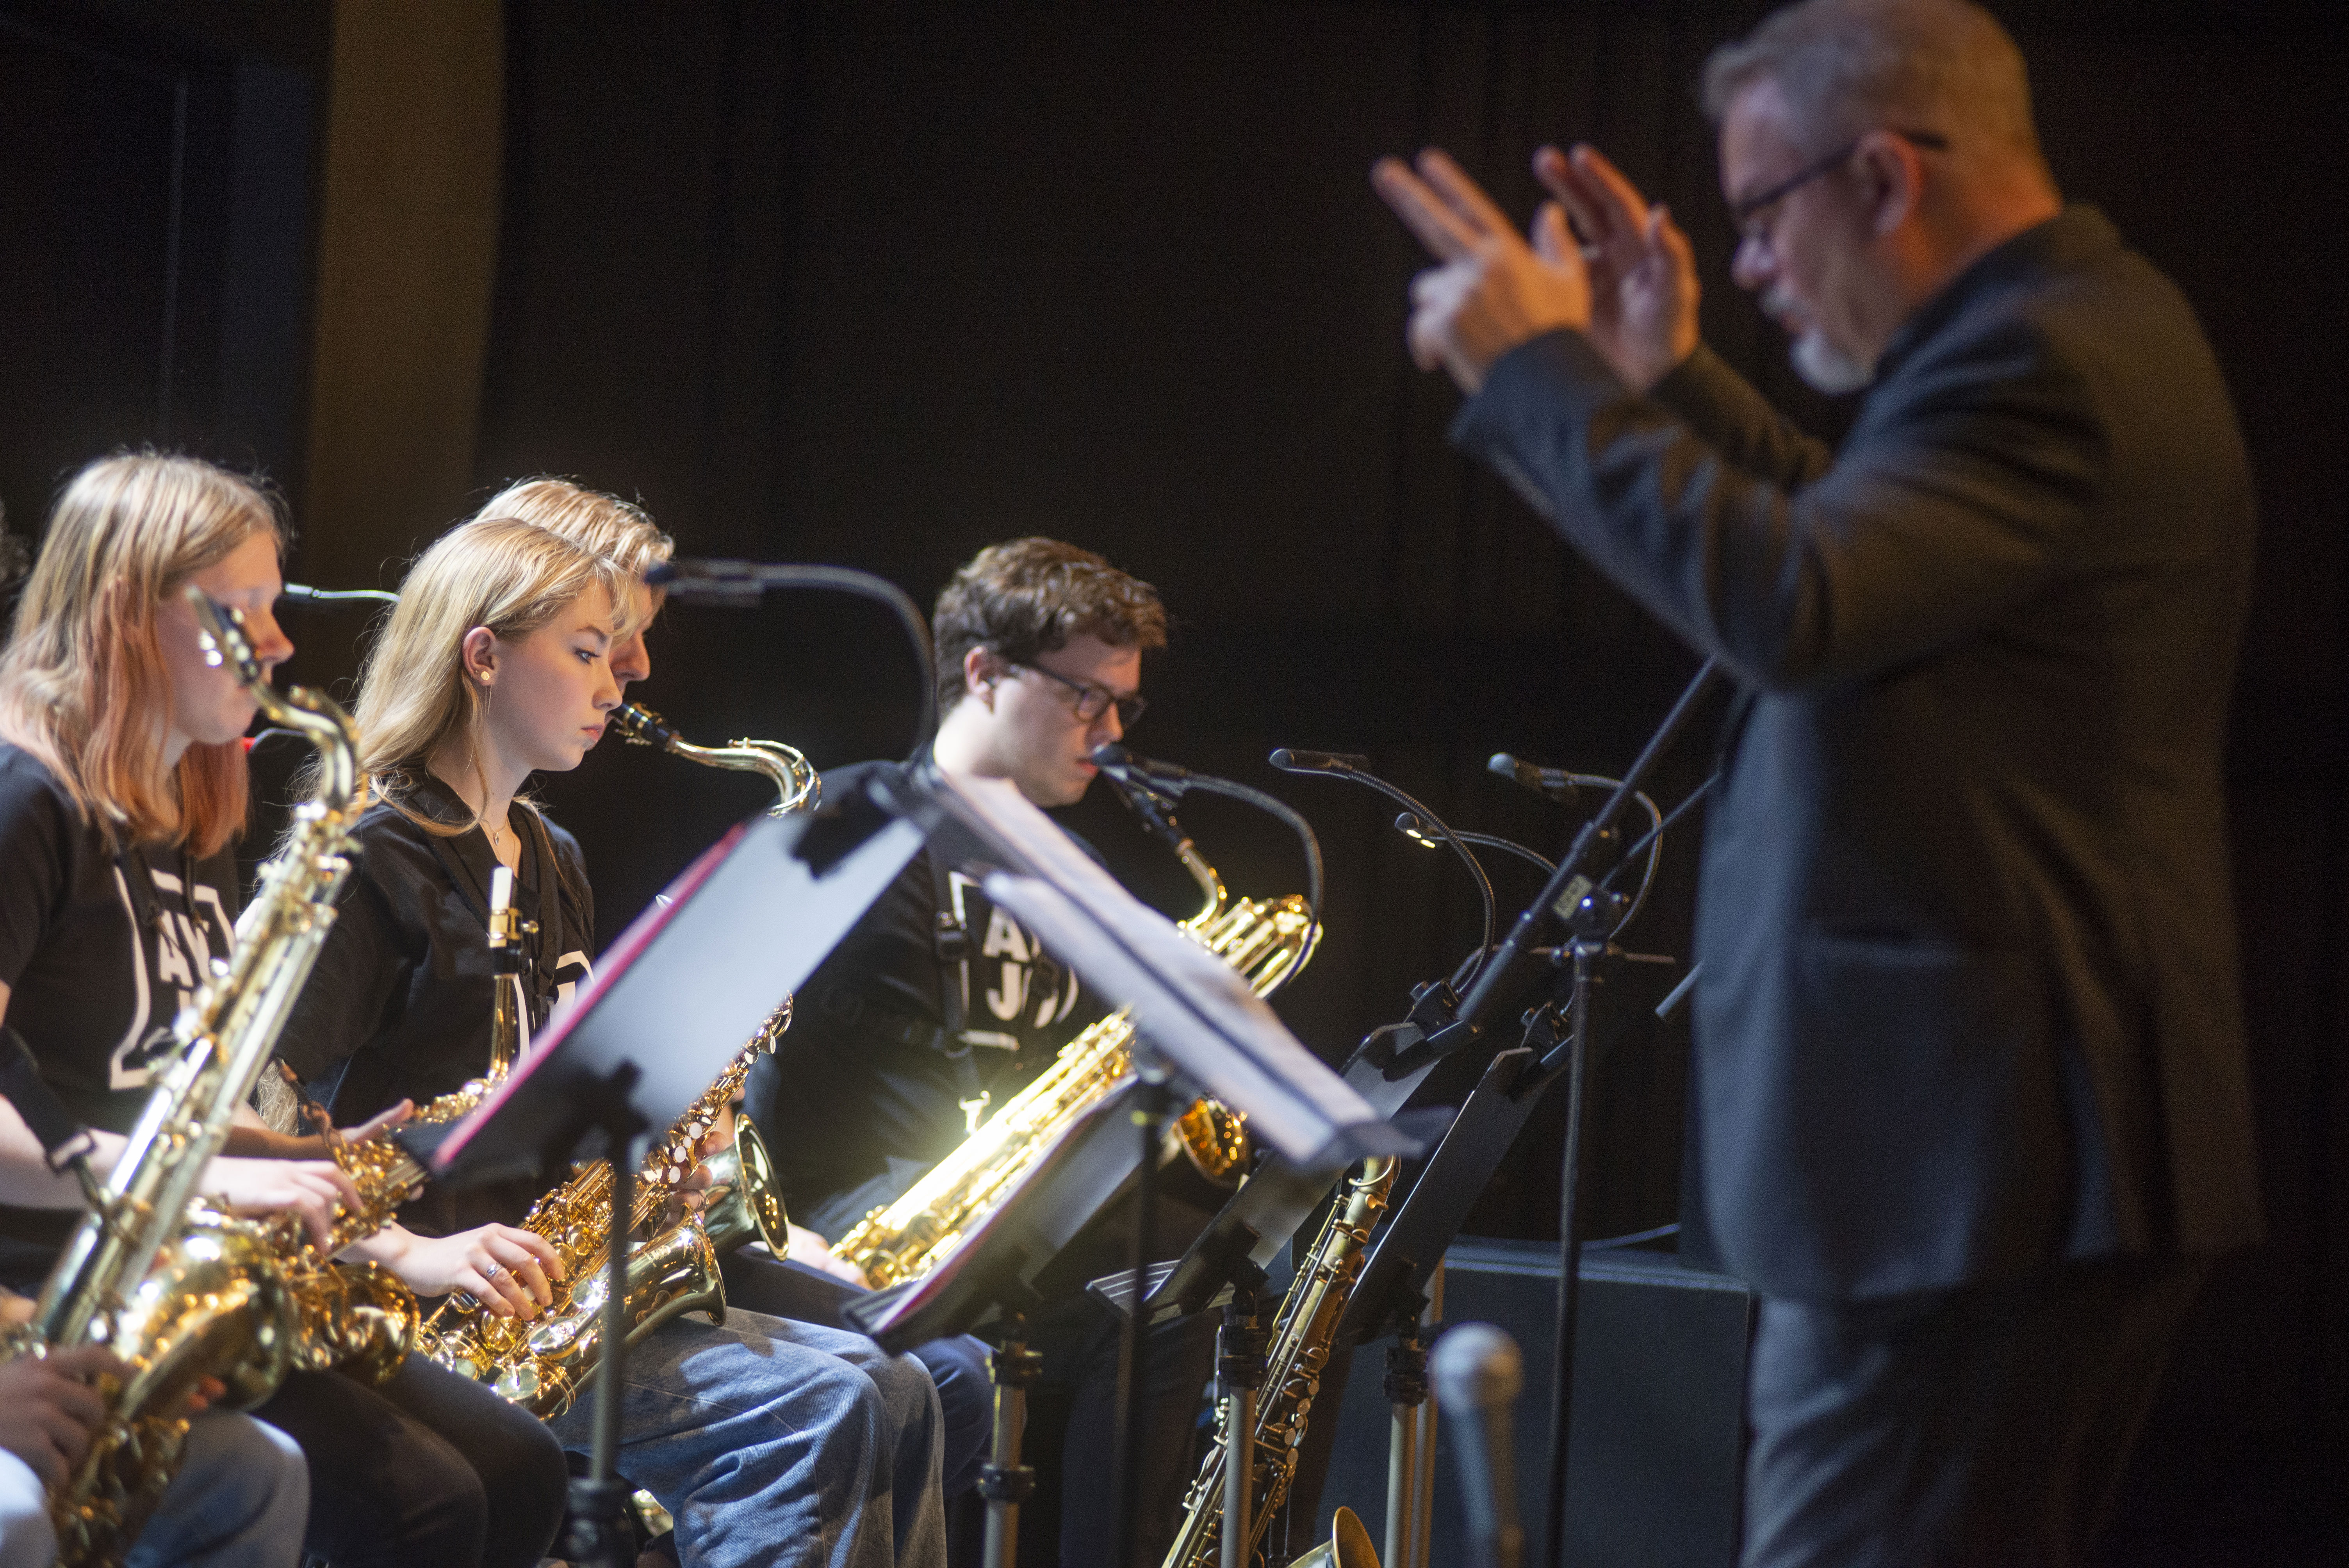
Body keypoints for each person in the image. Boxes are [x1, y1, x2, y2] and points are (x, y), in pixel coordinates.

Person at [1372, 0, 2261, 1563]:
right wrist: (1663, 376)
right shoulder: (2067, 329)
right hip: (1995, 1166)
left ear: (1886, 176)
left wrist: (1537, 372)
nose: (1756, 261)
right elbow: (1866, 565)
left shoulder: (2038, 357)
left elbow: (1797, 605)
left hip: (1971, 1182)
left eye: (1762, 213)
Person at [271, 512, 949, 1568]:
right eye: (586, 652)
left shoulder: (552, 853)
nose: (616, 684)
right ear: (483, 656)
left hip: (551, 1275)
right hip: (428, 1306)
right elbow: (257, 1127)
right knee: (823, 1412)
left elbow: (557, 1093)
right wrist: (410, 1251)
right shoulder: (374, 860)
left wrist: (650, 1165)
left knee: (901, 1384)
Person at [0, 453, 567, 1568]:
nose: (278, 647)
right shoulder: (29, 804)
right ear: (128, 607)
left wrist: (296, 1155)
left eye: (274, 606)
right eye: (241, 610)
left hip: (155, 1259)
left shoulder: (183, 811)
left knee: (511, 1469)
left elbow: (130, 1085)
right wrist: (213, 1176)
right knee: (418, 1503)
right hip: (52, 1279)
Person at [475, 475, 997, 1505]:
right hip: (502, 1281)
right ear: (493, 635)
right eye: (603, 640)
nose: (635, 673)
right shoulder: (400, 850)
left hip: (584, 1248)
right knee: (851, 1396)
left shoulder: (554, 852)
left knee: (939, 1371)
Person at [740, 538, 1221, 1568]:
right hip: (855, 1208)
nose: (1112, 732)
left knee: (1197, 1282)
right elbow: (721, 1029)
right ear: (984, 673)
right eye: (1087, 698)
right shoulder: (856, 813)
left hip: (1008, 1207)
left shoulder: (1076, 867)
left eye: (1125, 705)